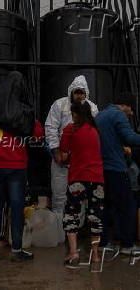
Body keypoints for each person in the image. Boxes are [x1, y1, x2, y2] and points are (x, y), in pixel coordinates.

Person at [0, 73, 44, 261]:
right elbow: (38, 134)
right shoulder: (23, 111)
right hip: (17, 166)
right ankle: (16, 250)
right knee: (16, 208)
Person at [45, 75, 99, 239]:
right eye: (77, 92)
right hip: (61, 161)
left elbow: (95, 133)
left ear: (86, 93)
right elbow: (50, 127)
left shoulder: (93, 108)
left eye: (82, 93)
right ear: (71, 92)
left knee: (80, 198)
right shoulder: (60, 105)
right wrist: (56, 152)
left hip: (81, 163)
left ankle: (75, 233)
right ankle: (60, 234)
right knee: (60, 195)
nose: (79, 96)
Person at [58, 101, 104, 268]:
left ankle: (74, 252)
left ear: (76, 114)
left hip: (77, 177)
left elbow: (63, 154)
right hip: (97, 178)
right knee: (95, 215)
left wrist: (68, 157)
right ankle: (96, 255)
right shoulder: (95, 130)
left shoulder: (71, 129)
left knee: (72, 213)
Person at [95, 93, 140, 254]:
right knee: (127, 207)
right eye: (131, 108)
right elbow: (129, 137)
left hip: (101, 169)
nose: (132, 113)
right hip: (116, 169)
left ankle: (103, 243)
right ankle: (127, 245)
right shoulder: (118, 115)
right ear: (125, 105)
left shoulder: (100, 115)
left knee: (105, 207)